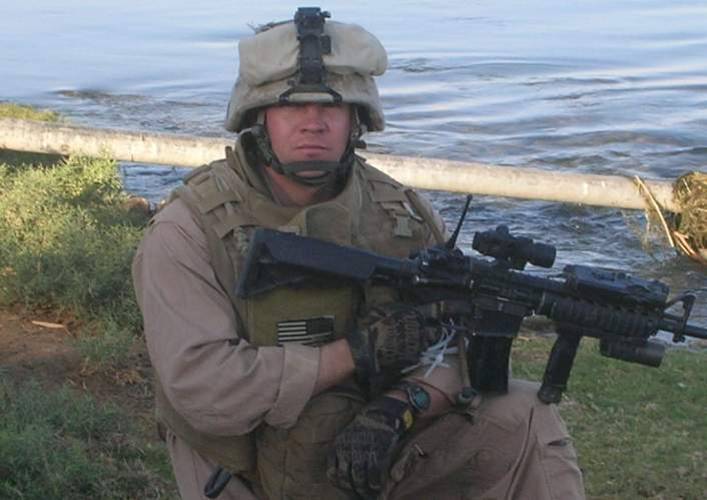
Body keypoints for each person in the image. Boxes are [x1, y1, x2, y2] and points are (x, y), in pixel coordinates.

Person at [132, 7, 585, 500]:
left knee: (526, 415)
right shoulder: (189, 230)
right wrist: (356, 353)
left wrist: (401, 406)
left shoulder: (402, 215)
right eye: (292, 107)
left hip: (376, 449)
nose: (313, 123)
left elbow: (452, 347)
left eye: (333, 107)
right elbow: (207, 392)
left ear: (357, 120)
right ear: (258, 116)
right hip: (246, 470)